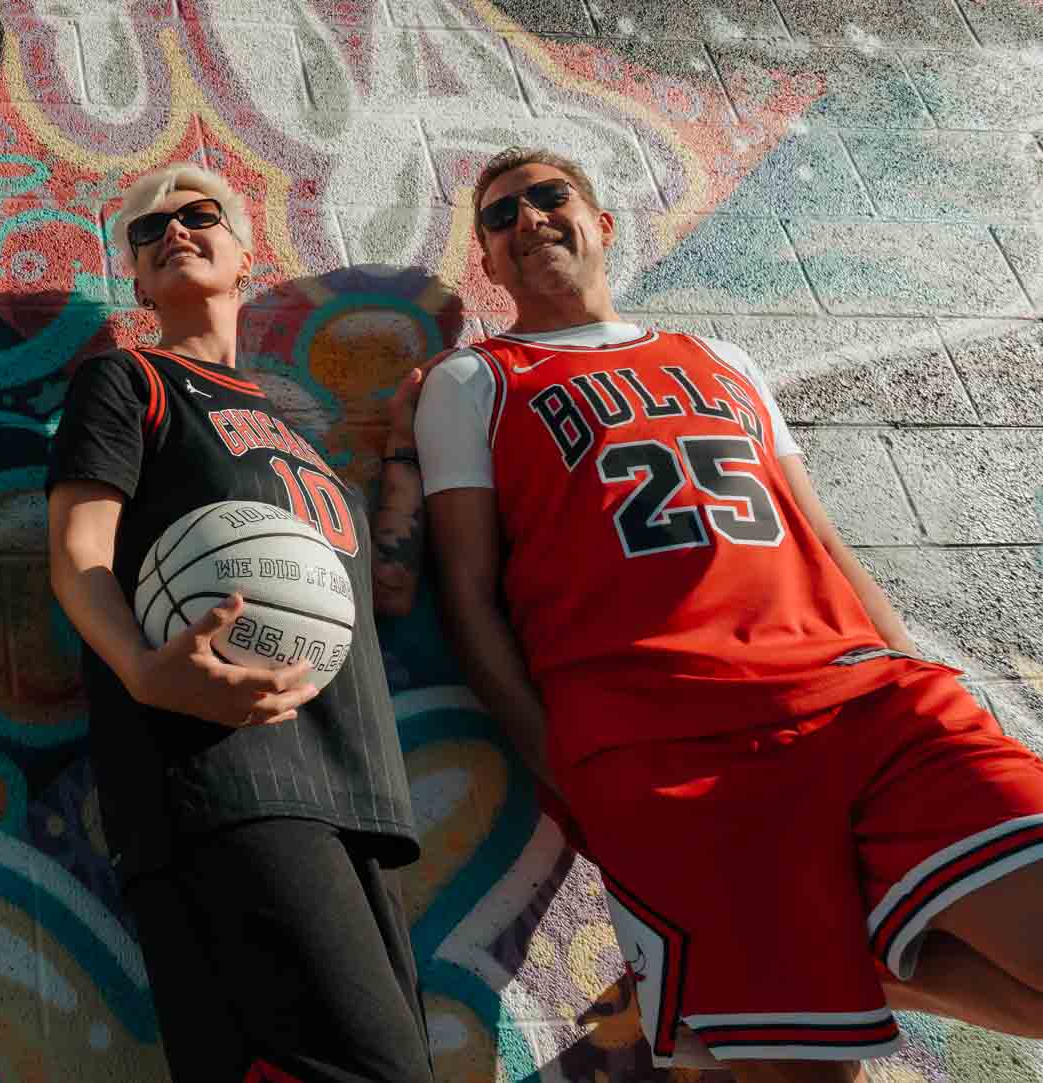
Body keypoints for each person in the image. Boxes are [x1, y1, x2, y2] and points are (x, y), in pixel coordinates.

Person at [417, 146, 1043, 1081]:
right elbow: (468, 594)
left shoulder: (720, 357)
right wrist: (567, 772)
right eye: (501, 218)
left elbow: (822, 538)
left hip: (863, 699)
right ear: (491, 264)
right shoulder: (473, 381)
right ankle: (824, 979)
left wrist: (918, 670)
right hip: (665, 747)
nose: (529, 221)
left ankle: (866, 972)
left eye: (550, 198)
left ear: (602, 223)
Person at [46, 163, 434, 1083]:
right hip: (218, 782)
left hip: (352, 787)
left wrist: (408, 445)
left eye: (198, 214)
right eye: (149, 232)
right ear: (136, 281)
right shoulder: (126, 380)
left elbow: (384, 589)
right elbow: (77, 554)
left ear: (244, 243)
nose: (173, 231)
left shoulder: (295, 428)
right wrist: (145, 670)